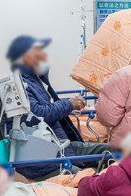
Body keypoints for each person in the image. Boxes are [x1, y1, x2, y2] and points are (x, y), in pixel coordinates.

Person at [6, 35, 109, 179]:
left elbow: (46, 108)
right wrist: (69, 104)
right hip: (44, 159)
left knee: (114, 150)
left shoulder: (36, 81)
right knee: (87, 179)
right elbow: (37, 114)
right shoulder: (19, 85)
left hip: (60, 147)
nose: (44, 61)